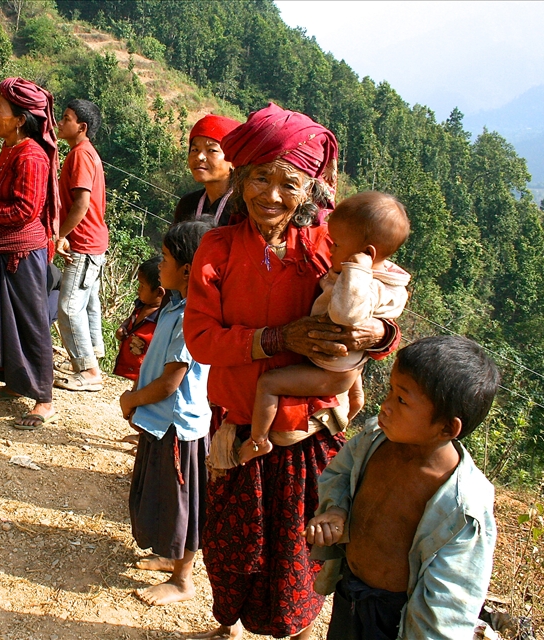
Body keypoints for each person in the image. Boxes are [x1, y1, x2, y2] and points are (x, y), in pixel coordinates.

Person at [183, 103, 401, 640]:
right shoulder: (217, 247)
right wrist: (278, 339)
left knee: (300, 554)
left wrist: (379, 336)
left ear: (310, 190)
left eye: (290, 183)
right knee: (231, 551)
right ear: (242, 178)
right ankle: (229, 625)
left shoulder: (330, 246)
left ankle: (301, 633)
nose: (272, 196)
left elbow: (379, 304)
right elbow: (201, 338)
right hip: (240, 428)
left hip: (308, 434)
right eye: (261, 178)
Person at [306, 336, 499, 640]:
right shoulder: (374, 440)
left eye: (402, 400)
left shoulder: (463, 506)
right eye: (391, 391)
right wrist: (337, 510)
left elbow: (450, 603)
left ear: (447, 428)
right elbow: (340, 474)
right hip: (350, 591)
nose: (385, 406)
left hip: (397, 620)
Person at [235, 191, 411, 466]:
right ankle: (345, 419)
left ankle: (258, 441)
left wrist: (357, 271)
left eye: (337, 244)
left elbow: (346, 314)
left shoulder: (364, 282)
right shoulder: (389, 278)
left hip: (332, 370)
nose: (331, 250)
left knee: (269, 384)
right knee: (355, 398)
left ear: (367, 253)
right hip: (348, 366)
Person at [120, 220, 212, 607]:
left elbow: (170, 383)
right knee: (161, 495)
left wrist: (132, 400)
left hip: (177, 426)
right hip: (160, 422)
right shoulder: (174, 305)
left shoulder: (194, 315)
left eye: (166, 258)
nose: (160, 265)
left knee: (180, 504)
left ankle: (183, 579)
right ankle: (169, 557)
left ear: (188, 270)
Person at [0, 77, 59, 430]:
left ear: (20, 119)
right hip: (2, 249)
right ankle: (15, 382)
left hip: (21, 254)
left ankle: (44, 399)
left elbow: (26, 210)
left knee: (29, 323)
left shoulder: (31, 156)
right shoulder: (10, 148)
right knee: (5, 321)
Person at [54, 99, 109, 392]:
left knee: (69, 306)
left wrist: (61, 235)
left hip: (84, 242)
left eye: (67, 118)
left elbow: (81, 203)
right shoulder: (86, 153)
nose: (60, 123)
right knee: (88, 303)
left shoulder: (80, 156)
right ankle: (92, 356)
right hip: (94, 240)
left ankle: (88, 371)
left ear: (82, 127)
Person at [173, 114, 241, 226]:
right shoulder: (188, 204)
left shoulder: (244, 207)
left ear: (233, 160)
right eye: (195, 149)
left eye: (211, 150)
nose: (199, 157)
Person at [113, 256, 165, 383]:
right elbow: (130, 319)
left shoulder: (162, 319)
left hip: (140, 377)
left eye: (142, 286)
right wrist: (123, 327)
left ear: (159, 292)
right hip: (122, 368)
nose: (138, 289)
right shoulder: (140, 305)